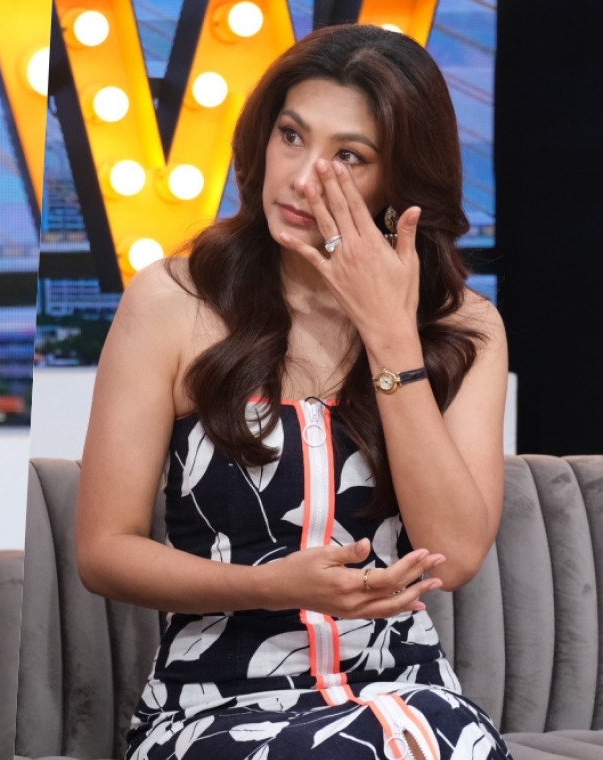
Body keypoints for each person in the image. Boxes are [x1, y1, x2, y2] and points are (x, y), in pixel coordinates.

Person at [75, 23, 510, 760]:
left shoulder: (464, 327)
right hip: (214, 706)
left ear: (400, 181)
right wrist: (271, 585)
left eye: (349, 156)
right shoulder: (173, 302)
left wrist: (390, 336)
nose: (305, 178)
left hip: (407, 697)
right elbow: (103, 551)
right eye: (291, 136)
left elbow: (456, 555)